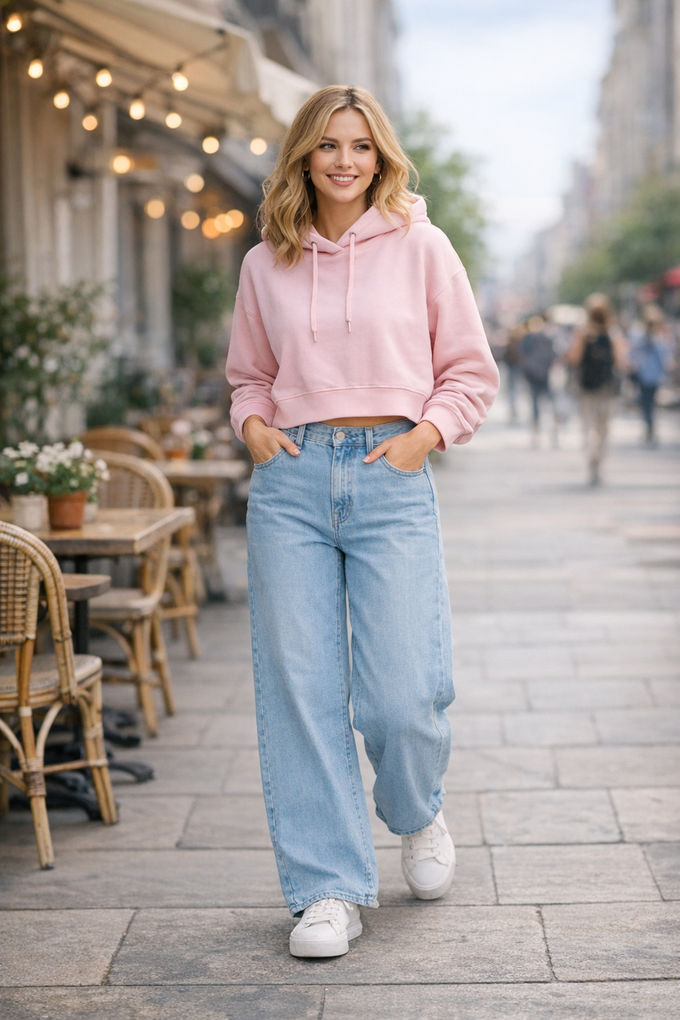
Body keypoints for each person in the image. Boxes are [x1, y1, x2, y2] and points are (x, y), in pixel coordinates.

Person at [225, 85, 499, 959]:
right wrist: (254, 426)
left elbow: (469, 372)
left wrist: (424, 437)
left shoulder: (422, 245)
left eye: (361, 146)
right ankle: (327, 890)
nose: (345, 161)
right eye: (328, 145)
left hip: (391, 473)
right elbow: (248, 376)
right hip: (292, 481)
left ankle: (416, 812)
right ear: (304, 156)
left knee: (404, 694)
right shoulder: (266, 261)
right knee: (302, 692)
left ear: (380, 157)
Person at [566, 292, 627, 486]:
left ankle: (591, 452)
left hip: (586, 387)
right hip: (607, 387)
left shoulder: (582, 332)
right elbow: (621, 362)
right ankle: (599, 458)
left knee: (588, 425)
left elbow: (573, 358)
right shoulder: (614, 333)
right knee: (604, 427)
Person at [629, 304, 673, 445]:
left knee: (647, 403)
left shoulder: (653, 337)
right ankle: (650, 428)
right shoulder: (653, 337)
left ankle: (649, 428)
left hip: (647, 375)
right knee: (649, 403)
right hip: (651, 375)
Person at [519, 314, 557, 446]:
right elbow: (553, 355)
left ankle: (537, 429)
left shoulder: (529, 338)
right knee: (548, 403)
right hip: (544, 373)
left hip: (533, 373)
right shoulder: (547, 337)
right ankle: (552, 430)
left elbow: (523, 353)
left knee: (535, 401)